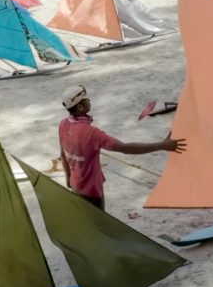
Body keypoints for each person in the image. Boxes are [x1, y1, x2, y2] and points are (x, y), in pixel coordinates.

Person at [58, 85, 186, 210]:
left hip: (76, 185)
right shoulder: (92, 133)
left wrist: (68, 177)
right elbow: (125, 148)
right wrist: (162, 145)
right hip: (92, 190)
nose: (89, 100)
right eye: (86, 99)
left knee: (86, 218)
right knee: (98, 222)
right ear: (80, 106)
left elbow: (63, 154)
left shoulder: (63, 124)